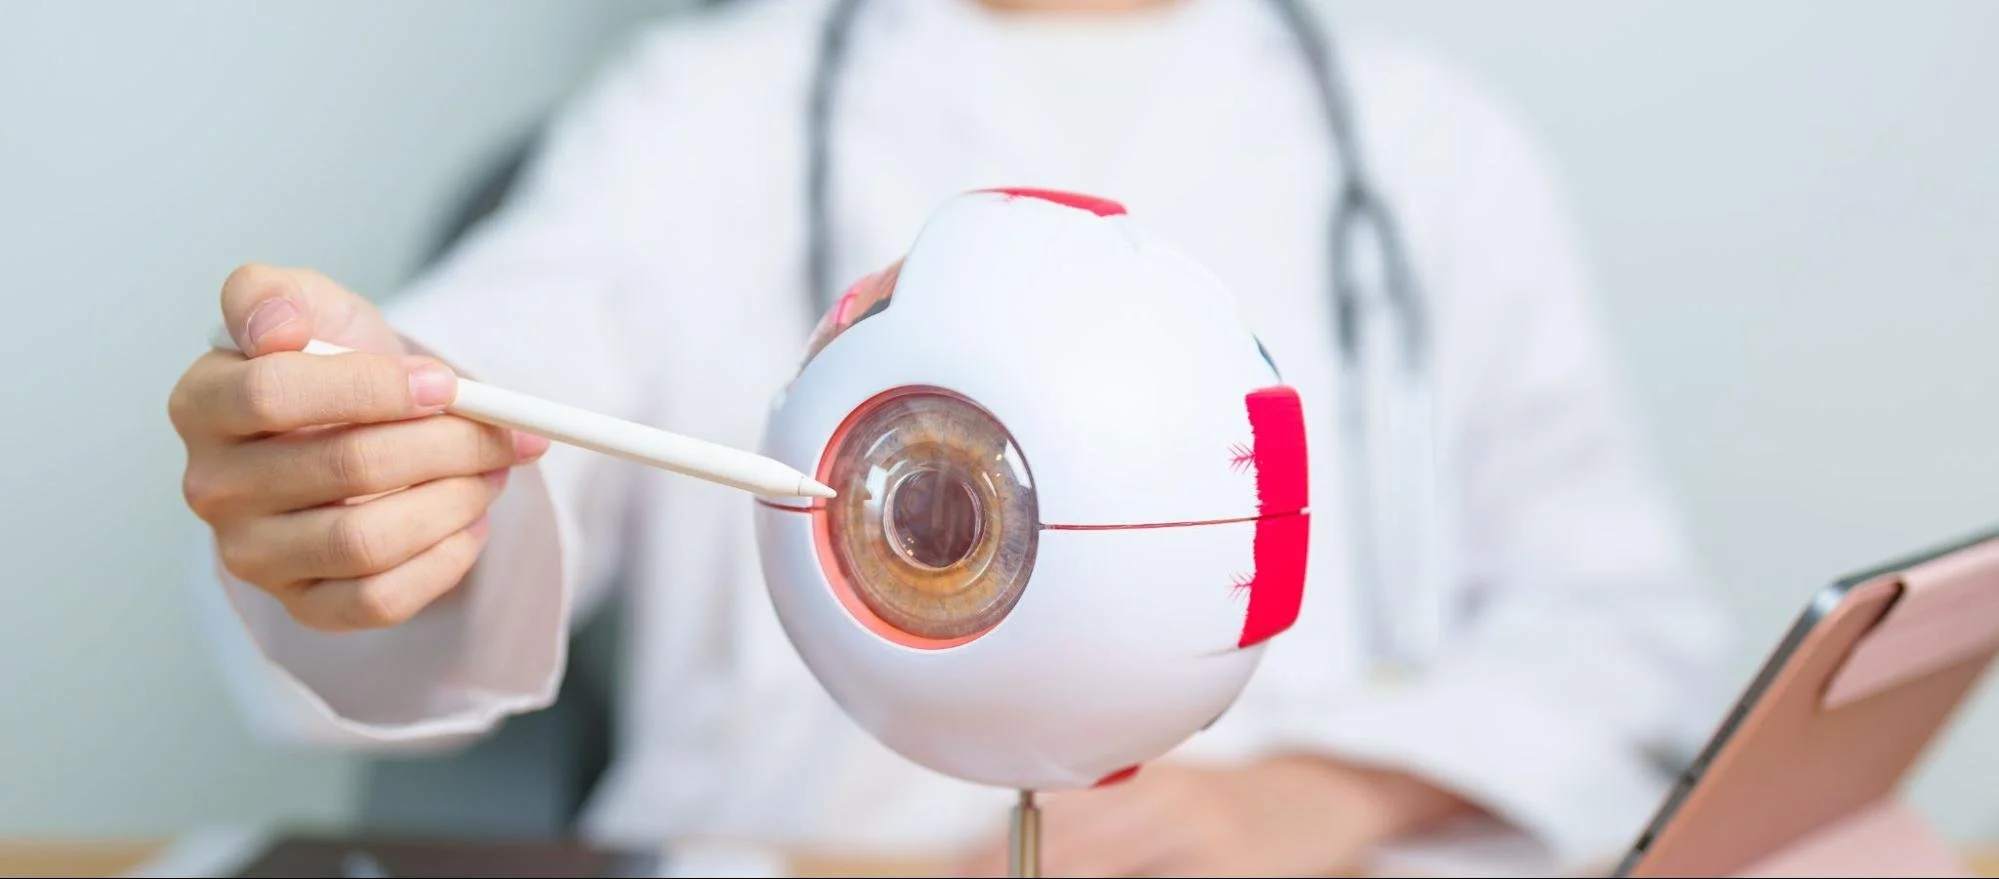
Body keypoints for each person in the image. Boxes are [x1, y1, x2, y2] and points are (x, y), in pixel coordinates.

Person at [167, 0, 1729, 875]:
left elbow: (1617, 632)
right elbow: (500, 385)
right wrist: (373, 476)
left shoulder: (1422, 141)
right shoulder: (699, 114)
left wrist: (1319, 797)